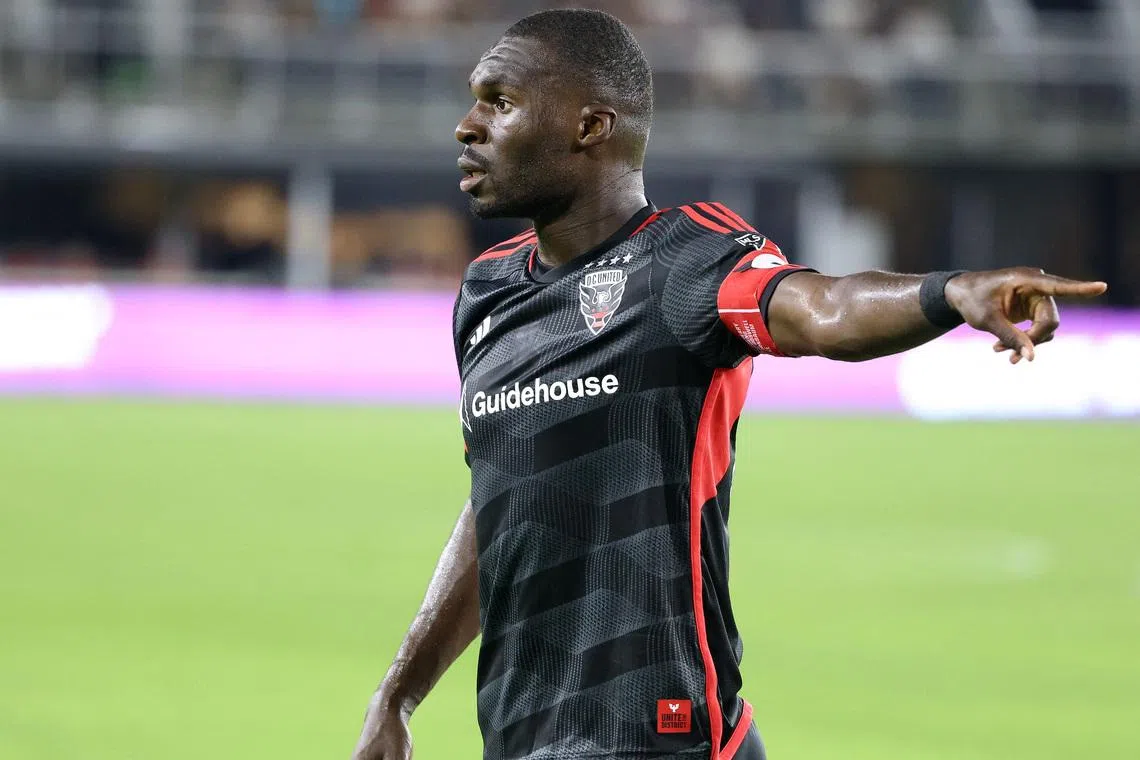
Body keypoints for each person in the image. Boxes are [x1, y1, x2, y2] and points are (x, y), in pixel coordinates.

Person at [351, 9, 1106, 760]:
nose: (467, 124)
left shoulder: (688, 261)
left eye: (500, 101)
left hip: (667, 740)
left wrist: (953, 293)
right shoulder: (487, 292)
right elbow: (500, 504)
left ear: (589, 126)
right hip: (521, 742)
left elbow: (827, 311)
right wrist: (398, 694)